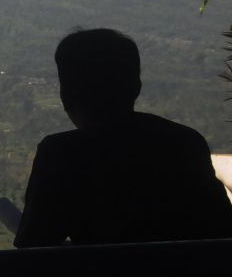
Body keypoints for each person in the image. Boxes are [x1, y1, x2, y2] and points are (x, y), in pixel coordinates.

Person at [14, 28, 232, 248]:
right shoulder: (185, 143)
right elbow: (221, 228)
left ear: (66, 94)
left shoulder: (62, 154)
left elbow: (32, 245)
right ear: (135, 87)